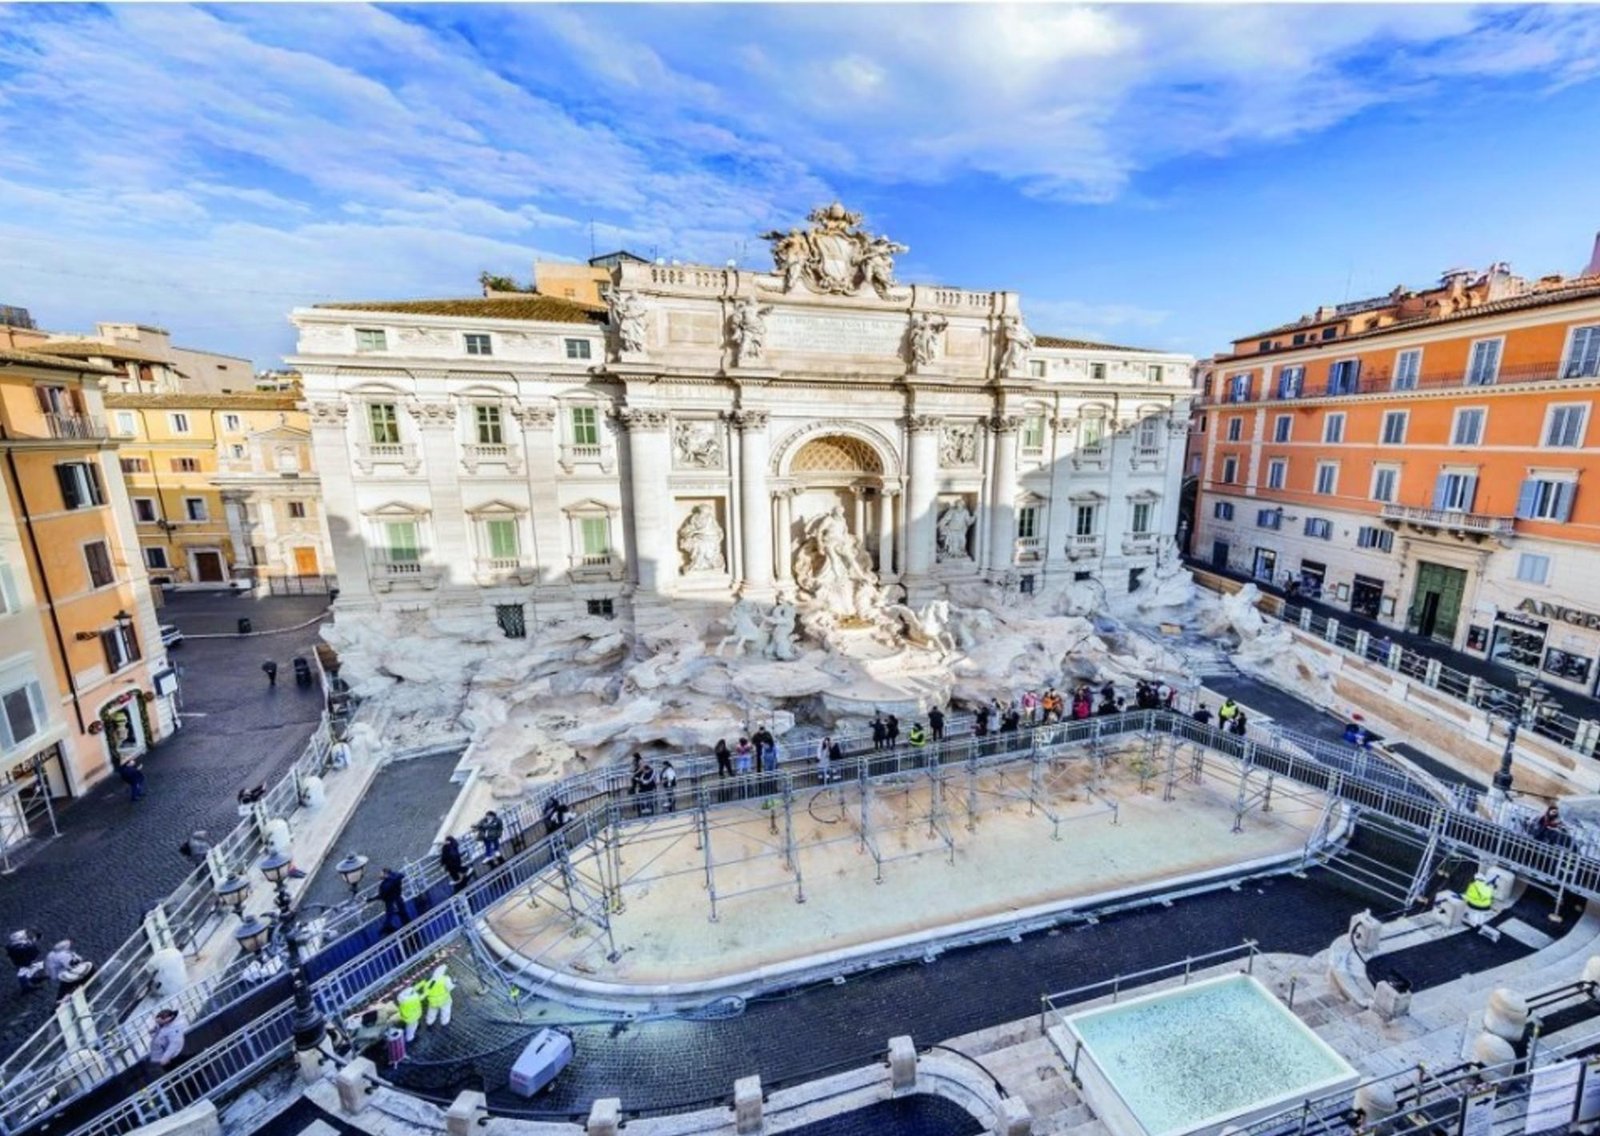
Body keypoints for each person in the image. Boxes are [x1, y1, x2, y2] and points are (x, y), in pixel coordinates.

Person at [146, 1008, 186, 1079]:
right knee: (176, 1065)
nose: (158, 1024)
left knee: (174, 1068)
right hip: (165, 1051)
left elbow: (174, 1045)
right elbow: (160, 1028)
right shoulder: (165, 1024)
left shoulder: (174, 1030)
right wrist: (155, 1029)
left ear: (168, 1019)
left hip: (171, 1054)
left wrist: (165, 1057)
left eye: (159, 1023)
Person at [7, 929, 44, 993]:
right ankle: (26, 987)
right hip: (19, 957)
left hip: (17, 954)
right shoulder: (27, 944)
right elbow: (31, 953)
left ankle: (32, 978)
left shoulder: (22, 934)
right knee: (23, 971)